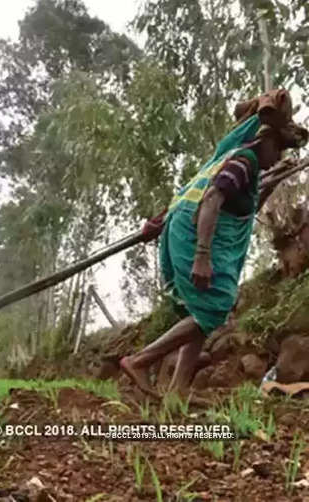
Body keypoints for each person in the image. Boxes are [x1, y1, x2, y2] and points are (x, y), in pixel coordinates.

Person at [121, 89, 308, 401]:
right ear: (267, 141)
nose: (278, 158)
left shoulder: (239, 165)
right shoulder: (244, 161)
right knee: (216, 305)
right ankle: (140, 361)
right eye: (279, 150)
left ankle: (178, 390)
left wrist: (273, 181)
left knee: (201, 312)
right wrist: (202, 255)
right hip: (193, 234)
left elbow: (242, 209)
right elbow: (212, 199)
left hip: (180, 230)